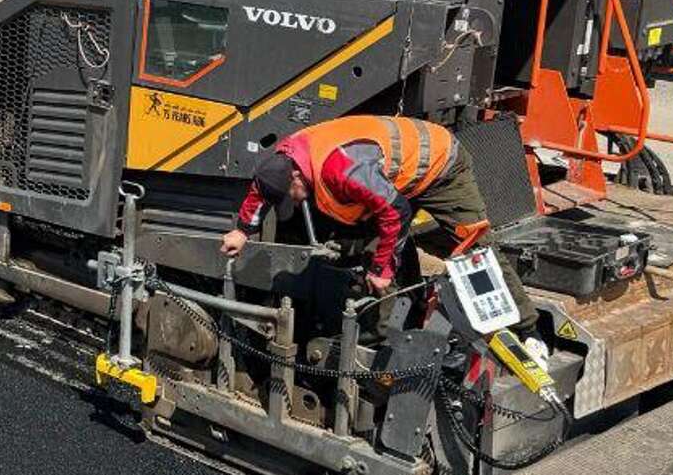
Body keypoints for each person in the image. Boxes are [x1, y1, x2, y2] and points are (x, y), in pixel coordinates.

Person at [218, 114, 537, 331]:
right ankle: (404, 313)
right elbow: (261, 189)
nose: (298, 200)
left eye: (295, 193)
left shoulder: (342, 170)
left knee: (473, 245)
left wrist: (382, 270)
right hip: (392, 177)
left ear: (299, 174)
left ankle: (525, 328)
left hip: (441, 165)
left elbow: (396, 211)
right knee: (378, 246)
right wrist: (242, 231)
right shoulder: (285, 158)